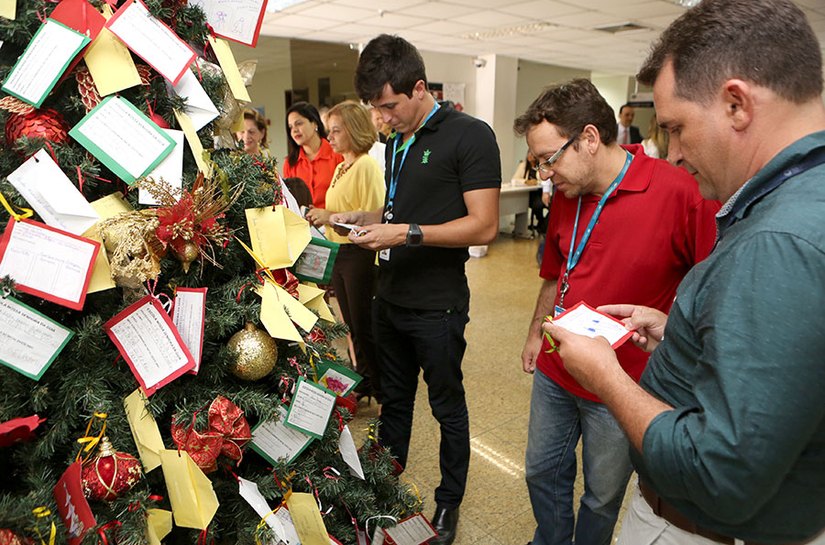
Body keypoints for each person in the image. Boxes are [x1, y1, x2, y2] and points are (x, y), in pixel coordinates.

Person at [543, 1, 825, 544]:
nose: (671, 153)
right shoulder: (801, 199)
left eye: (676, 127)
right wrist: (683, 335)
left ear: (737, 104)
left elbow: (720, 472)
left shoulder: (778, 240)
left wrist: (605, 375)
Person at [515, 78, 718, 545]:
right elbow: (555, 271)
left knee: (602, 496)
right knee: (541, 473)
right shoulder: (568, 192)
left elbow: (709, 283)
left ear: (588, 139)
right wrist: (533, 334)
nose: (545, 173)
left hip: (625, 379)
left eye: (550, 158)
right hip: (556, 363)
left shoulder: (678, 191)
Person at [331, 34, 501, 545]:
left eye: (388, 107)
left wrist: (403, 233)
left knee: (447, 407)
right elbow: (402, 213)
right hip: (391, 298)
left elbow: (483, 226)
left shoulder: (470, 135)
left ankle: (447, 505)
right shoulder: (397, 142)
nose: (382, 120)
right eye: (376, 110)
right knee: (395, 405)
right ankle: (382, 494)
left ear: (420, 88)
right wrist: (366, 220)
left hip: (437, 305)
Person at [304, 101, 385, 401]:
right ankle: (364, 378)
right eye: (330, 131)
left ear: (354, 130)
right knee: (351, 325)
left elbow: (371, 215)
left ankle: (382, 390)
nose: (331, 137)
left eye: (337, 131)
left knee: (364, 327)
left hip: (359, 254)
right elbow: (341, 209)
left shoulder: (366, 166)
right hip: (338, 252)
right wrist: (323, 214)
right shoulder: (341, 166)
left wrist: (329, 216)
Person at [282, 102, 343, 209]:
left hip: (333, 220)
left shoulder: (338, 154)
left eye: (299, 123)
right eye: (290, 127)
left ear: (314, 123)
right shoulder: (290, 163)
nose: (294, 130)